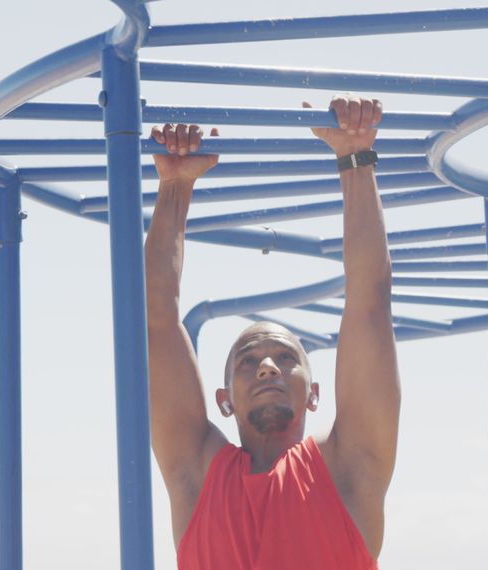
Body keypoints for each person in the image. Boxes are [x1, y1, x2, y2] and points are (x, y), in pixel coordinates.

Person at [144, 95, 400, 570]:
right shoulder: (198, 475)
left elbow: (369, 302)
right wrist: (175, 186)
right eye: (247, 360)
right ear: (224, 400)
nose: (266, 366)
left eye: (286, 358)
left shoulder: (348, 468)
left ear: (313, 394)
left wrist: (356, 156)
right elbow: (156, 320)